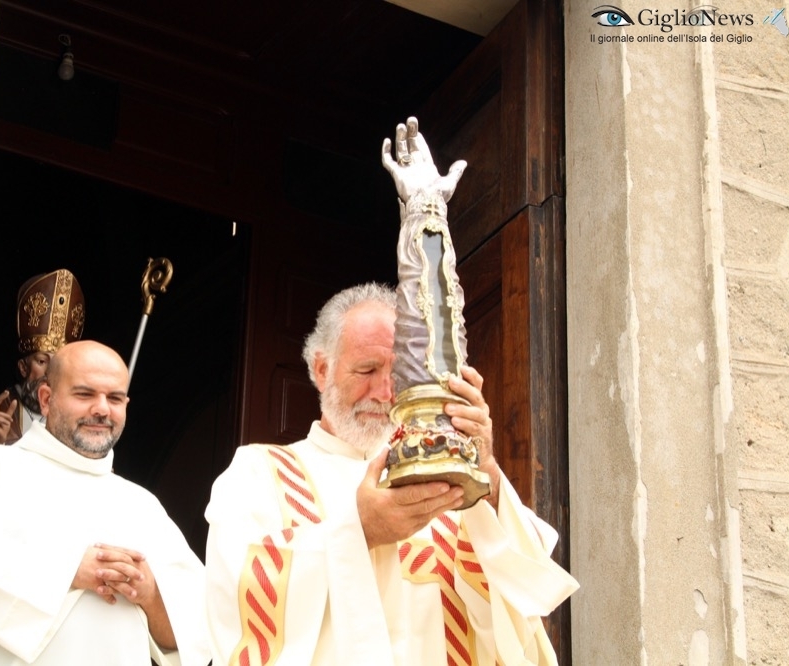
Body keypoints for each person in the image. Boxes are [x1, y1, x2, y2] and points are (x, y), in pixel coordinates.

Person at [204, 282, 578, 665]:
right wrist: (360, 530)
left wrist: (486, 476)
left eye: (399, 374)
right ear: (321, 369)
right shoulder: (259, 472)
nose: (385, 392)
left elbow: (524, 603)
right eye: (367, 369)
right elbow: (233, 596)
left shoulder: (442, 480)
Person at [0, 340, 209, 665]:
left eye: (114, 398)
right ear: (46, 399)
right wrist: (69, 569)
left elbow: (198, 636)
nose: (102, 409)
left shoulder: (143, 506)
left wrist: (151, 594)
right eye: (84, 394)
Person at [0, 268, 87, 448]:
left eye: (58, 364)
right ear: (23, 367)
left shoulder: (71, 417)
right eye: (42, 361)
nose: (50, 373)